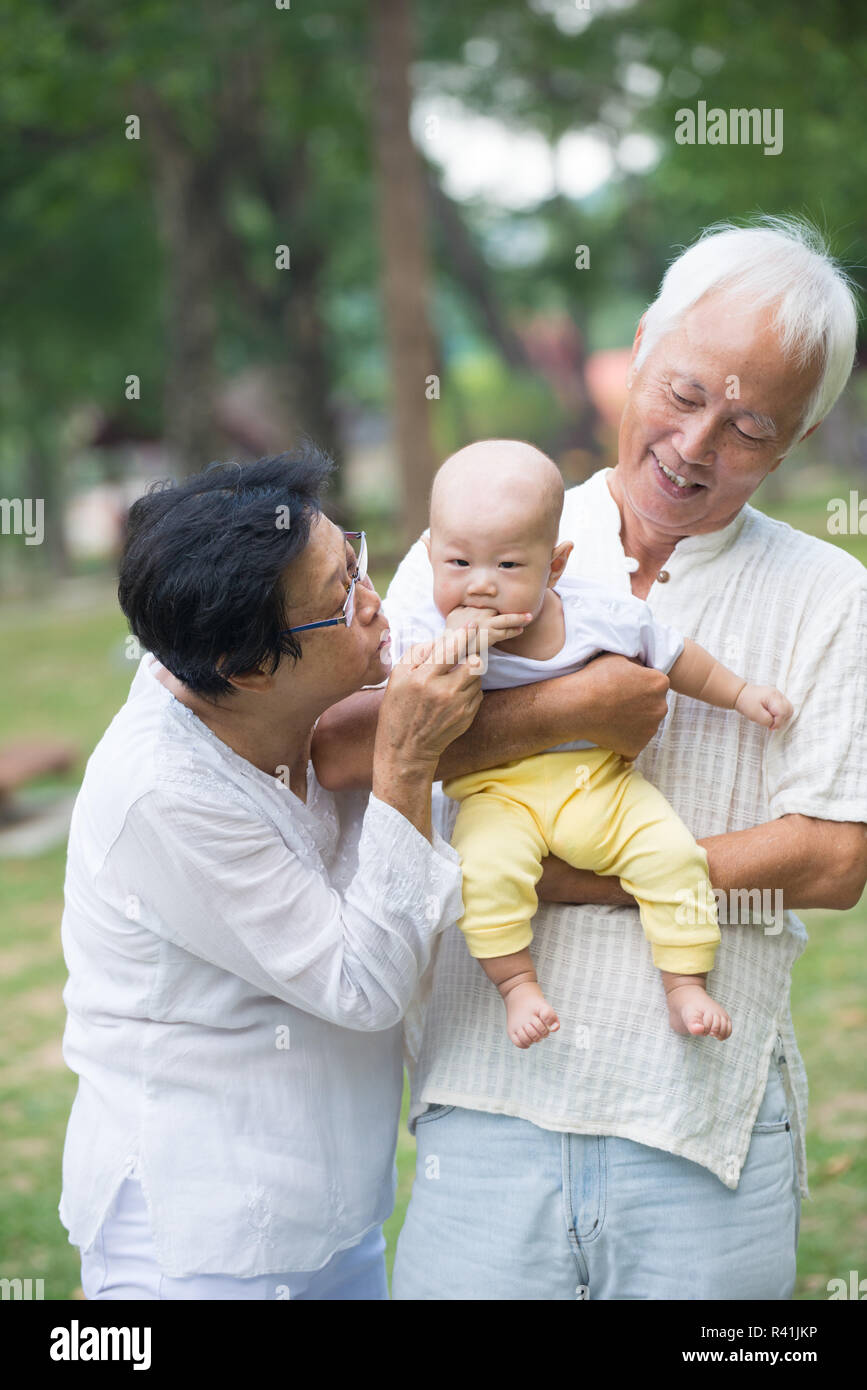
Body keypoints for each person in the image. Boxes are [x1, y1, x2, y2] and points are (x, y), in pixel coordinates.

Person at [312, 217, 867, 1299]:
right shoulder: (489, 528)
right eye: (686, 392)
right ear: (644, 346)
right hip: (487, 1100)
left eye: (752, 425)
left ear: (796, 441)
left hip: (701, 1122)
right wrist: (578, 706)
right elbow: (339, 743)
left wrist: (577, 877)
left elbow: (838, 857)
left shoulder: (830, 595)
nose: (698, 445)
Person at [58, 446, 485, 1300]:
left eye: (355, 565)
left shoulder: (288, 687)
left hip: (335, 1213)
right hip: (199, 1241)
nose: (373, 605)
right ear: (249, 668)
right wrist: (401, 760)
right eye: (340, 600)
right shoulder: (160, 791)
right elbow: (361, 983)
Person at [415, 439, 793, 1049]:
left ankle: (685, 984)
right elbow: (408, 707)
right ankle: (516, 986)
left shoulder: (596, 614)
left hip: (599, 784)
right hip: (494, 794)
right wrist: (453, 648)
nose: (481, 587)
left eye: (509, 567)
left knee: (674, 856)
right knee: (482, 871)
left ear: (554, 565)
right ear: (432, 557)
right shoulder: (427, 631)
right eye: (459, 565)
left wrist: (743, 693)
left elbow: (674, 655)